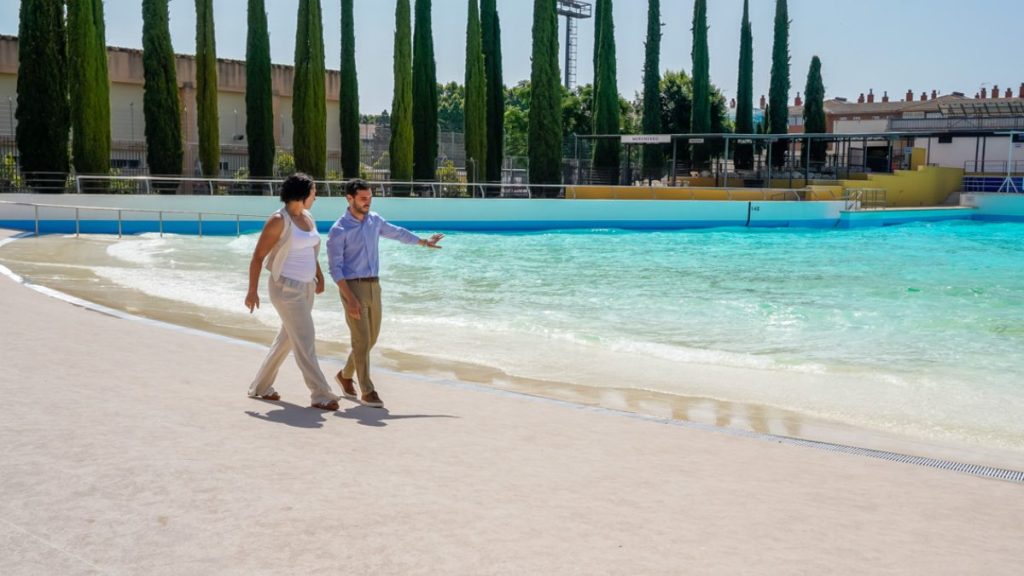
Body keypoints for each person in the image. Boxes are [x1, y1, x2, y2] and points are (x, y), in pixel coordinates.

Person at [327, 179, 444, 408]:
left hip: (374, 286)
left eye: (369, 198)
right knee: (361, 340)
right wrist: (349, 298)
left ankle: (344, 375)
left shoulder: (374, 221)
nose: (367, 202)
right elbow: (335, 268)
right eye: (362, 199)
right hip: (352, 287)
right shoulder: (338, 230)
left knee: (370, 339)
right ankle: (367, 390)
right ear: (349, 199)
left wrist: (423, 242)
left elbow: (397, 233)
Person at [245, 173, 341, 411]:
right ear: (301, 194)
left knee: (287, 339)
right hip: (285, 289)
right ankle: (320, 393)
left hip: (305, 287)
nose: (316, 197)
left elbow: (309, 249)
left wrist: (317, 275)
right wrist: (252, 291)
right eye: (314, 192)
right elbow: (258, 257)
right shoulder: (279, 220)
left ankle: (260, 387)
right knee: (305, 339)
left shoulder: (307, 217)